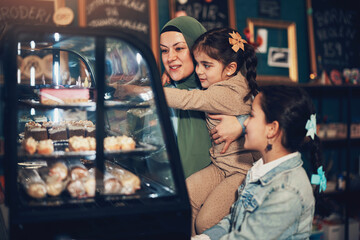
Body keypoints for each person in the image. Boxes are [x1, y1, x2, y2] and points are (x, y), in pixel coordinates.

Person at [192, 85, 325, 240]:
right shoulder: (259, 170)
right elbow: (235, 220)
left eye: (252, 115)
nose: (245, 123)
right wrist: (206, 237)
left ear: (272, 129)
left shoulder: (288, 190)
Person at [163, 27, 259, 235]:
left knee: (205, 223)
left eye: (206, 65)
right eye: (197, 63)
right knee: (186, 197)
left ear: (230, 68)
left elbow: (188, 99)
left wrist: (150, 89)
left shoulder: (225, 91)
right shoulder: (230, 82)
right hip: (220, 166)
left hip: (239, 171)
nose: (198, 71)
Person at [159, 16, 245, 178]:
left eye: (179, 48)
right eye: (164, 50)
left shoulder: (221, 87)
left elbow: (267, 115)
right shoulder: (164, 89)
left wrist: (242, 124)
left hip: (223, 182)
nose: (170, 58)